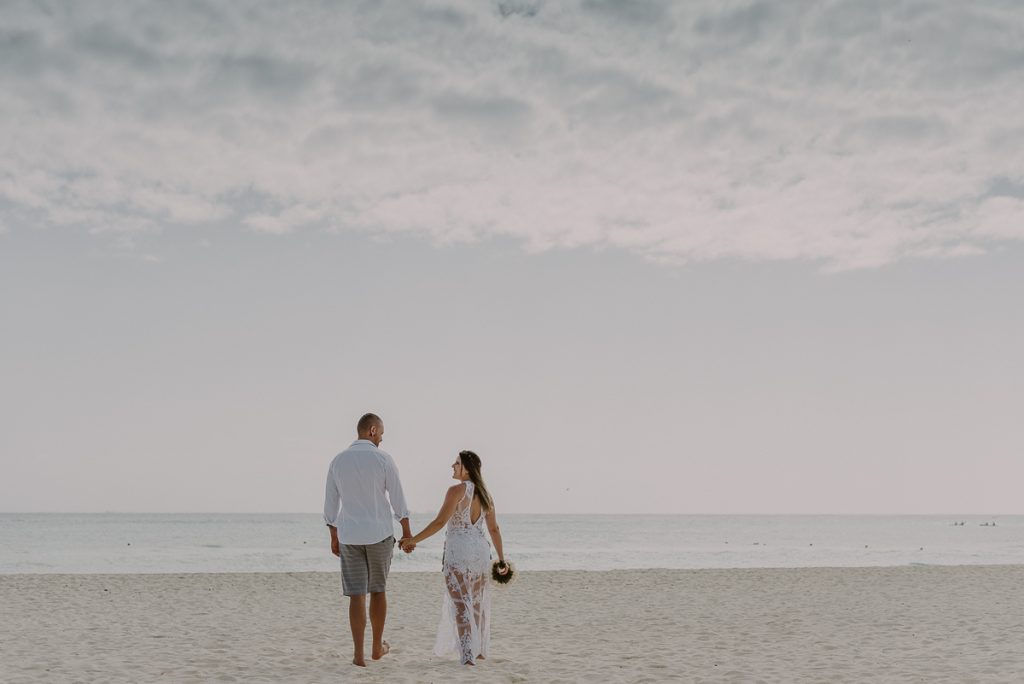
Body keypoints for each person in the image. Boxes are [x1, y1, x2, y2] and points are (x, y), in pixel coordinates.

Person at [400, 450, 506, 666]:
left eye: (456, 463)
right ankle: (479, 653)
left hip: (459, 552)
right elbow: (494, 529)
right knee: (476, 605)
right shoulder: (486, 495)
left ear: (466, 468)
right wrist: (502, 559)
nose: (452, 466)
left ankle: (467, 657)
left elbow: (440, 522)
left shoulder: (457, 490)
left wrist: (413, 540)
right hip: (480, 553)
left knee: (460, 604)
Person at [323, 413, 412, 667]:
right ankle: (377, 646)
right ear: (372, 430)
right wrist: (406, 530)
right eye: (381, 434)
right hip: (379, 534)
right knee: (378, 589)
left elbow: (331, 503)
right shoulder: (383, 458)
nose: (381, 439)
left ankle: (359, 655)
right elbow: (397, 497)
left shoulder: (338, 461)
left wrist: (333, 534)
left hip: (349, 535)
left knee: (356, 595)